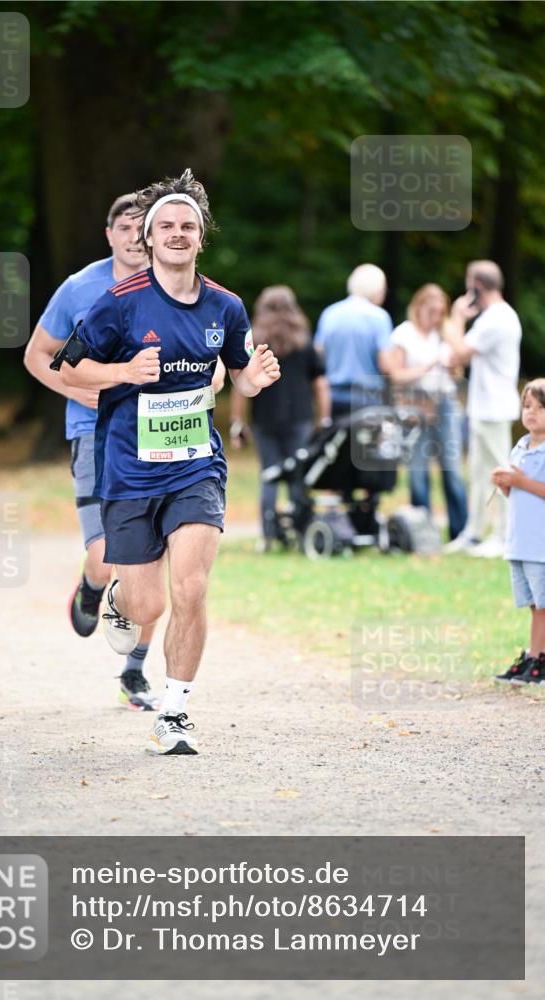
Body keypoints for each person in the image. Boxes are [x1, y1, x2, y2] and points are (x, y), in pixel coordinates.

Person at [59, 168, 280, 755]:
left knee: (192, 587)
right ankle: (117, 601)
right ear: (148, 239)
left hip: (195, 467)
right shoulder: (119, 305)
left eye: (189, 225)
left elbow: (238, 373)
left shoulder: (226, 307)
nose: (178, 233)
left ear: (200, 237)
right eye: (167, 226)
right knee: (148, 603)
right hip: (129, 469)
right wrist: (123, 372)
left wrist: (251, 382)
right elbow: (69, 367)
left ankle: (176, 709)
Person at [23, 194, 162, 710]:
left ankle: (134, 673)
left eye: (139, 228)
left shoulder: (173, 285)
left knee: (157, 556)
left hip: (159, 435)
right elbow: (37, 355)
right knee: (106, 554)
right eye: (122, 227)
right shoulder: (81, 287)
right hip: (95, 430)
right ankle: (90, 586)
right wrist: (71, 389)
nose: (132, 237)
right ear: (109, 234)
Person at [229, 285, 329, 550]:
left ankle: (268, 534)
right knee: (299, 475)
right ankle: (300, 529)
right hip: (300, 417)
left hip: (265, 418)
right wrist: (325, 418)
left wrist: (238, 421)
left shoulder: (254, 341)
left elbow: (241, 384)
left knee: (269, 475)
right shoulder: (303, 340)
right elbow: (320, 383)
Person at [445, 260, 522, 557]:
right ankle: (474, 532)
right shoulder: (494, 316)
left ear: (476, 286)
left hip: (494, 408)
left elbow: (460, 352)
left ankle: (503, 534)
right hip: (483, 407)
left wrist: (456, 316)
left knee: (500, 472)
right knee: (478, 473)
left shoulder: (497, 318)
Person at [390, 284, 468, 541]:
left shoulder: (444, 334)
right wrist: (430, 365)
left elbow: (457, 371)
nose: (436, 317)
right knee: (418, 472)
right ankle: (423, 534)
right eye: (432, 311)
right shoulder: (404, 334)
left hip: (445, 404)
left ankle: (461, 532)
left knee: (452, 471)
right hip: (415, 406)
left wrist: (452, 364)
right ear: (419, 307)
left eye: (440, 312)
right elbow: (397, 375)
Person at [492, 379, 545, 685]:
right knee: (532, 603)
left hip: (540, 542)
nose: (532, 413)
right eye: (527, 406)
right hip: (520, 541)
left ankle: (539, 659)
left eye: (540, 407)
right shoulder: (520, 447)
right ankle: (533, 655)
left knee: (542, 604)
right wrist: (506, 486)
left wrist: (523, 483)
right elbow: (518, 497)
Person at [313, 263, 395, 417]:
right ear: (376, 289)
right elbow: (386, 365)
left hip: (334, 397)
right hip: (368, 399)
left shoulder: (330, 313)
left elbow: (318, 354)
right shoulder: (379, 317)